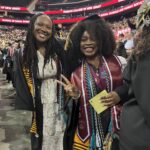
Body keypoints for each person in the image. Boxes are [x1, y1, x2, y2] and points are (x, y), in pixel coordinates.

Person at [57, 15, 126, 150]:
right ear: (78, 43)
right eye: (83, 40)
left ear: (102, 40)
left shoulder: (120, 63)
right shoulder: (75, 74)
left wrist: (119, 94)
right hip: (87, 137)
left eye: (93, 39)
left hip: (118, 131)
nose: (88, 43)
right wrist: (75, 96)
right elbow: (70, 112)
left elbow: (135, 89)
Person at [14, 13, 68, 150]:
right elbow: (22, 83)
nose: (44, 29)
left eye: (48, 27)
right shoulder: (23, 53)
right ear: (32, 26)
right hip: (39, 101)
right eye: (40, 25)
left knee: (60, 136)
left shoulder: (59, 48)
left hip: (59, 101)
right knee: (41, 139)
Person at [102, 2, 150, 150]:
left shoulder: (136, 54)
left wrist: (119, 93)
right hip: (141, 134)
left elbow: (131, 85)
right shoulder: (146, 54)